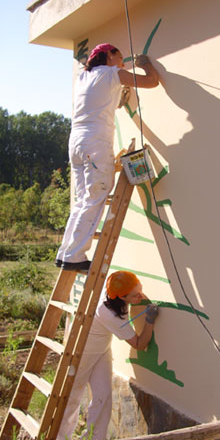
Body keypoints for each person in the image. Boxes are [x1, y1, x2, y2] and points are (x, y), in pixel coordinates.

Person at [56, 44, 160, 272]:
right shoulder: (112, 73)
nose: (122, 63)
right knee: (96, 196)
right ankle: (75, 257)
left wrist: (119, 96)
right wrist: (146, 65)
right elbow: (151, 82)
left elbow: (103, 100)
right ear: (108, 55)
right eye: (120, 57)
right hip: (96, 142)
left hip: (77, 142)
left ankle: (66, 253)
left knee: (83, 198)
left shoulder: (83, 77)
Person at [54, 270, 159, 440]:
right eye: (135, 295)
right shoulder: (109, 313)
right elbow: (140, 344)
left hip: (101, 349)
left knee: (103, 395)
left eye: (140, 289)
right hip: (83, 352)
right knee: (72, 396)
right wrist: (149, 321)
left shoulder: (112, 289)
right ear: (120, 297)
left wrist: (135, 297)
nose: (141, 295)